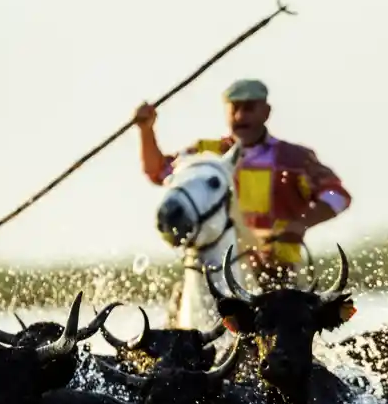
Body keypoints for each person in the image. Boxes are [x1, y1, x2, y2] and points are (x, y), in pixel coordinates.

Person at [134, 78, 352, 288]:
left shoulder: (293, 159)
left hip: (277, 270)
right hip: (211, 268)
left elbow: (338, 196)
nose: (240, 116)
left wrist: (300, 224)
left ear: (266, 112)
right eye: (234, 109)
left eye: (248, 109)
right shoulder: (206, 154)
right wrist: (146, 130)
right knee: (178, 311)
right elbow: (159, 171)